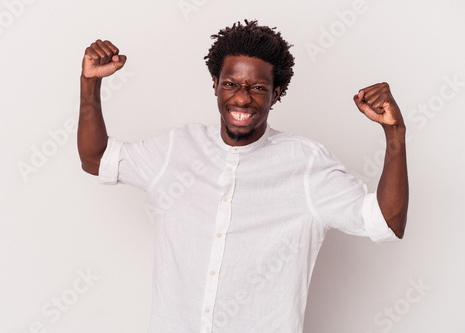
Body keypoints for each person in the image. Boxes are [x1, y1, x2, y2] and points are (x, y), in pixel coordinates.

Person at [78, 20, 408, 333]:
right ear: (216, 85)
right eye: (231, 84)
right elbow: (96, 158)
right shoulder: (176, 149)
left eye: (258, 87)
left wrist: (394, 133)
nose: (242, 98)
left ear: (276, 93)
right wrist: (90, 82)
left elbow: (386, 222)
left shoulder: (307, 164)